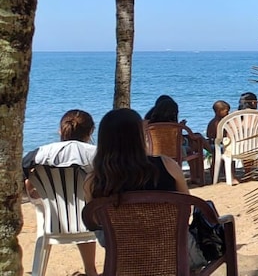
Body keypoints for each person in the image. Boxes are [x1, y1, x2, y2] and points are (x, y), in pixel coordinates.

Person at [86, 108, 209, 269]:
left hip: (125, 261)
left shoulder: (93, 181)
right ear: (139, 136)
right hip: (176, 257)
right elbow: (186, 208)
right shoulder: (167, 165)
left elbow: (95, 223)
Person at [23, 110, 98, 276]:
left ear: (60, 130)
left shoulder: (39, 153)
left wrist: (34, 193)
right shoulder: (97, 154)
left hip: (53, 222)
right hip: (92, 223)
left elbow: (22, 175)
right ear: (91, 131)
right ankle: (91, 270)